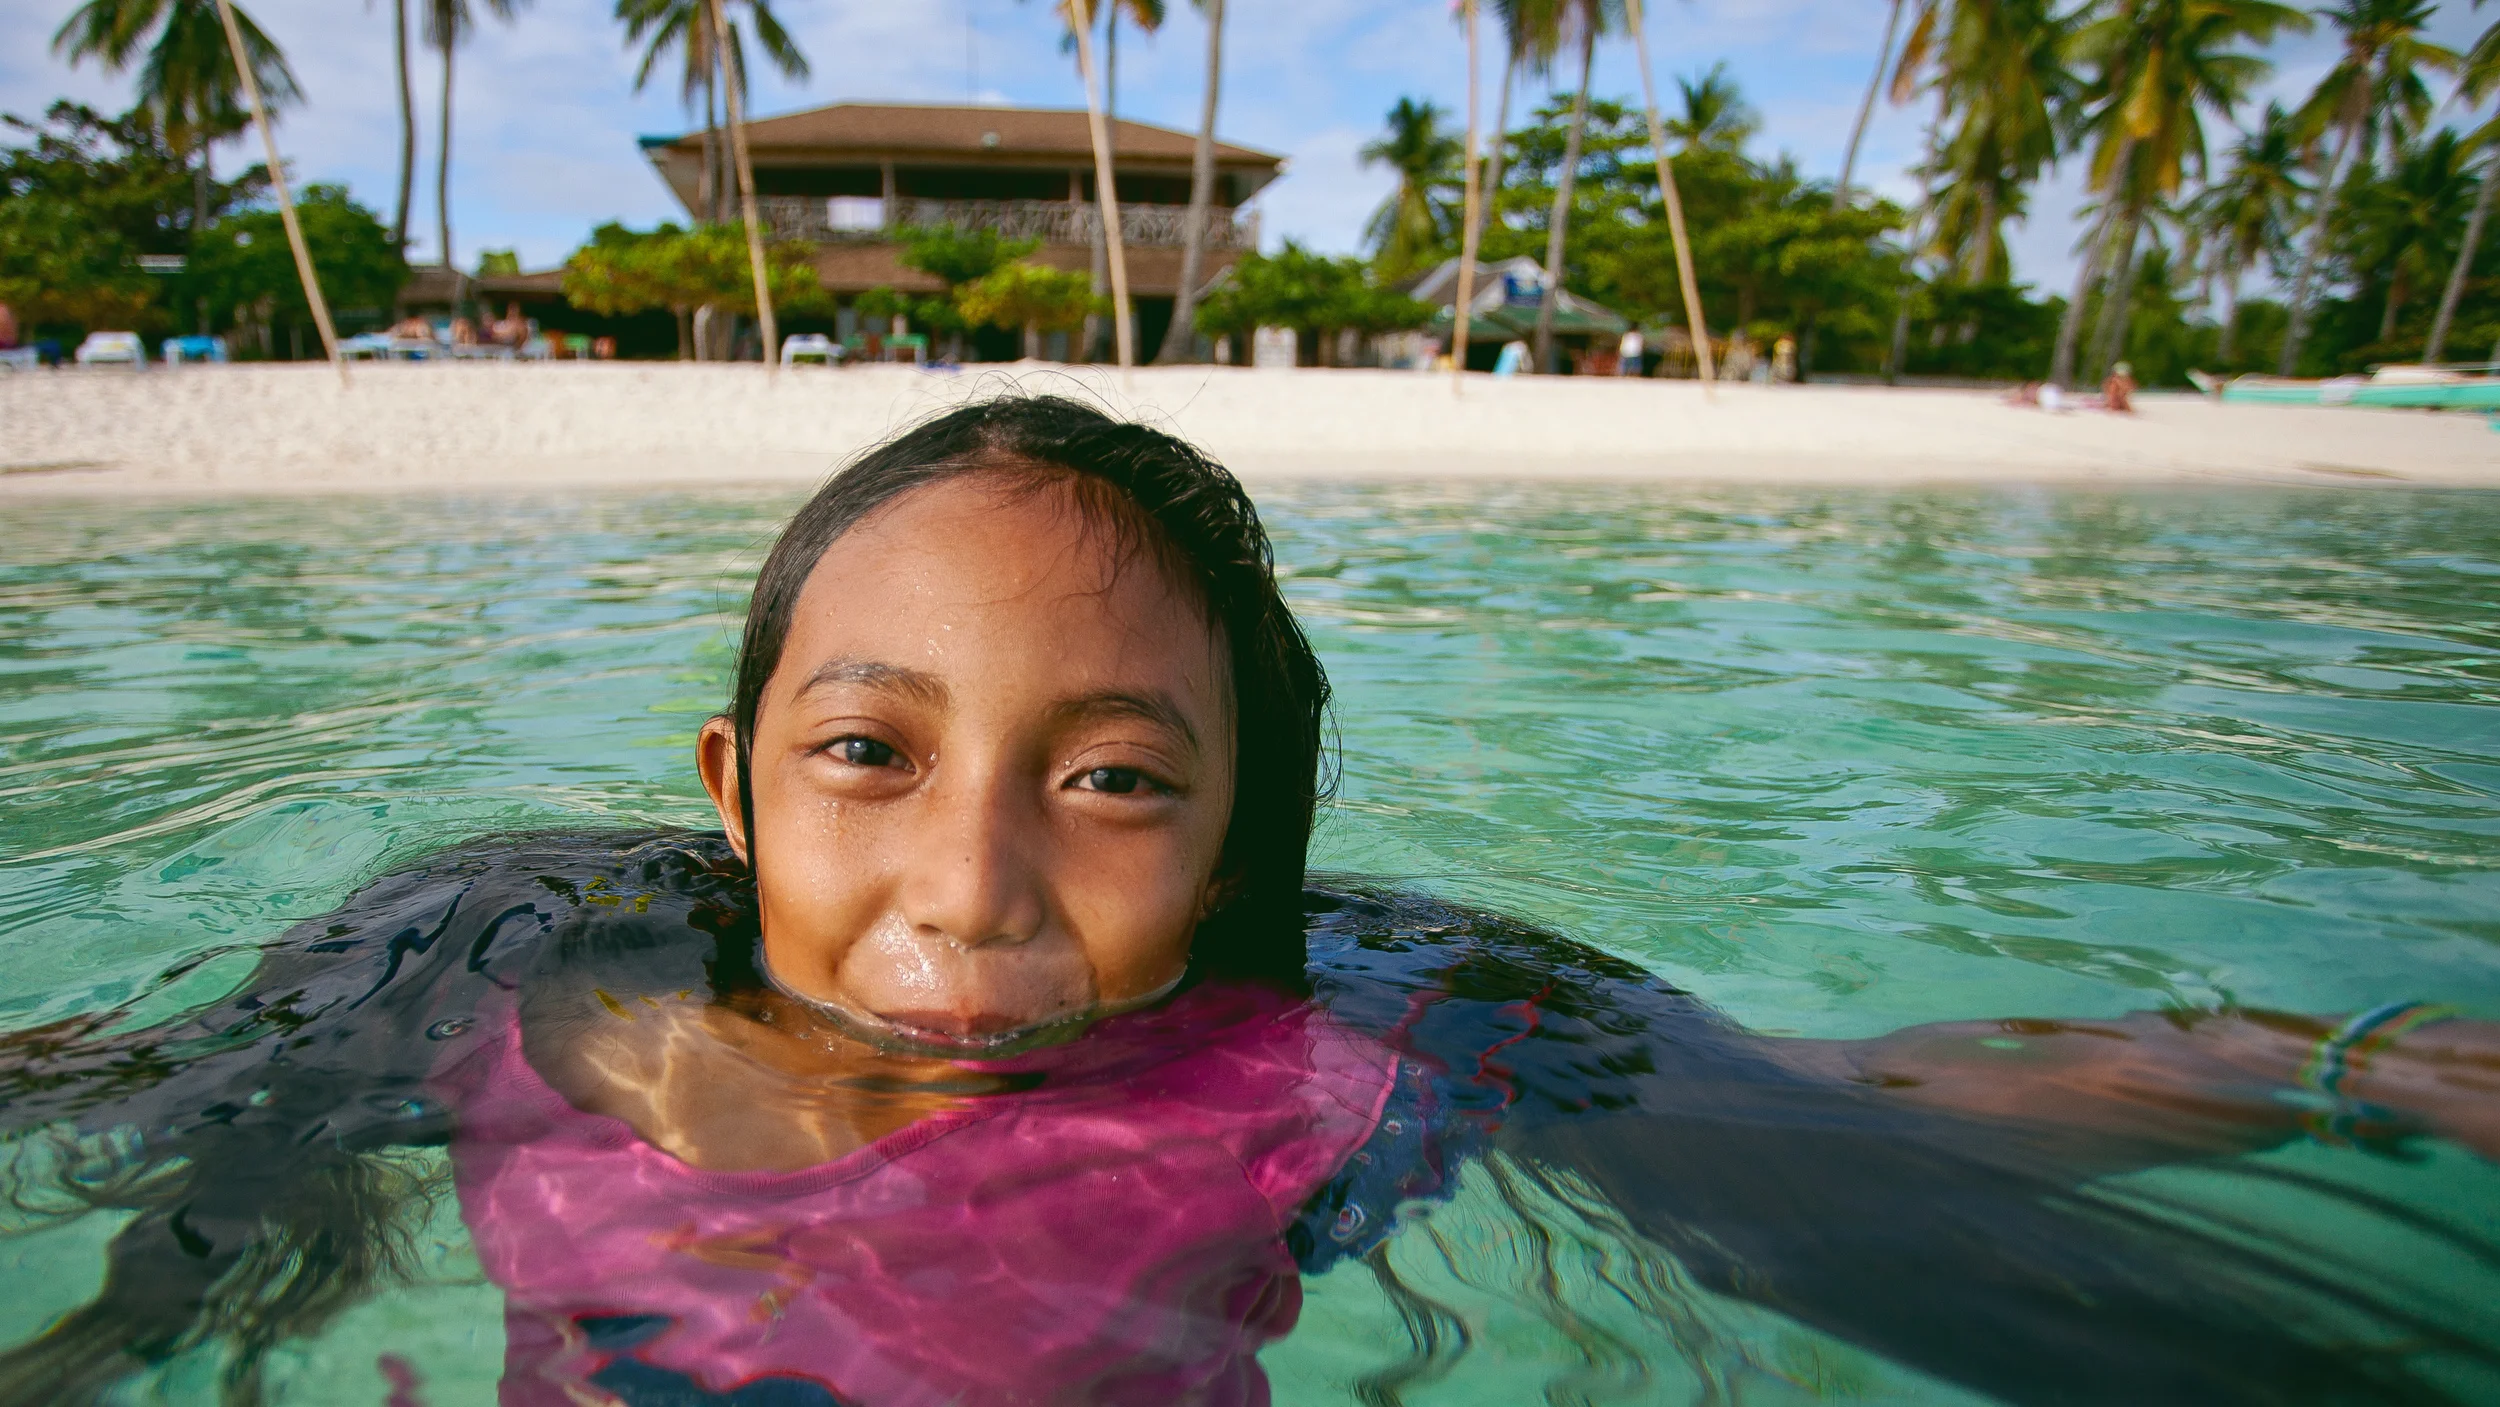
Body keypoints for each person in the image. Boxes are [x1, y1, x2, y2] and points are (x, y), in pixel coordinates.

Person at [0, 396, 2494, 1407]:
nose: (964, 885)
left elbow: (1836, 1119)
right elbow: (125, 1097)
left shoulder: (1338, 1037)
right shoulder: (498, 982)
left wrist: (2322, 1068)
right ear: (733, 787)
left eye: (1106, 780)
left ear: (1226, 846)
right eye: (868, 754)